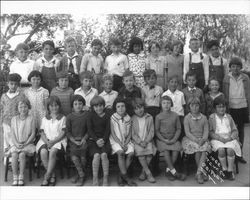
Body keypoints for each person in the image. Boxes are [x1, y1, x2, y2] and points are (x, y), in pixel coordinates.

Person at [223, 57, 250, 164]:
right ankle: (231, 153)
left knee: (241, 131)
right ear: (230, 68)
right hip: (231, 107)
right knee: (231, 131)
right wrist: (226, 107)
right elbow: (225, 93)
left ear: (240, 67)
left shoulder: (245, 78)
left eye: (238, 66)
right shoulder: (226, 78)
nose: (235, 68)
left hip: (242, 106)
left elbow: (248, 93)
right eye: (233, 66)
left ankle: (240, 154)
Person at [36, 96, 67, 186]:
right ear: (48, 107)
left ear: (59, 106)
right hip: (45, 140)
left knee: (53, 151)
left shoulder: (63, 118)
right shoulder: (45, 118)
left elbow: (63, 132)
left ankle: (47, 176)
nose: (54, 107)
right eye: (51, 106)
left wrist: (53, 142)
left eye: (56, 105)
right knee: (43, 152)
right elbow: (41, 132)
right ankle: (52, 175)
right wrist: (47, 142)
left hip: (58, 141)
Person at [209, 98, 241, 180]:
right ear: (215, 108)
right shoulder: (212, 117)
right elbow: (210, 132)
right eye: (219, 107)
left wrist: (230, 138)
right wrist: (218, 138)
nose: (222, 109)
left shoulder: (229, 117)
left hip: (229, 138)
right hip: (217, 139)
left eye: (223, 107)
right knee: (221, 150)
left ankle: (230, 171)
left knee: (230, 150)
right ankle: (224, 169)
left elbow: (234, 130)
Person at [155, 96, 185, 181]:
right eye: (164, 103)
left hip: (173, 138)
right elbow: (156, 131)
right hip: (162, 139)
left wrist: (174, 139)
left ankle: (168, 170)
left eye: (168, 103)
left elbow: (179, 129)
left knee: (176, 149)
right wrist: (164, 140)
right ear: (161, 104)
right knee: (166, 150)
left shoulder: (175, 115)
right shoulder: (158, 117)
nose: (166, 105)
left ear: (171, 104)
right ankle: (174, 172)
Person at [110, 98, 137, 186]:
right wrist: (120, 144)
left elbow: (129, 133)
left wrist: (125, 143)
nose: (120, 108)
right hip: (115, 140)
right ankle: (126, 177)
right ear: (115, 108)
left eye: (122, 106)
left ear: (125, 107)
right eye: (118, 107)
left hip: (126, 140)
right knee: (121, 153)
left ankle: (120, 175)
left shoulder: (128, 118)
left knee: (131, 154)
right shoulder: (113, 117)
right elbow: (113, 133)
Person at [182, 97, 209, 184]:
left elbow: (206, 131)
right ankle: (201, 172)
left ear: (199, 106)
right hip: (191, 139)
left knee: (203, 150)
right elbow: (187, 132)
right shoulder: (187, 118)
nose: (194, 107)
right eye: (192, 105)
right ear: (189, 107)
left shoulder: (204, 118)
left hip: (202, 139)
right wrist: (196, 140)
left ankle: (198, 173)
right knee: (198, 149)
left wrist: (203, 139)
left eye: (196, 105)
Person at [10, 99, 36, 186]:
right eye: (20, 107)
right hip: (16, 143)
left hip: (28, 144)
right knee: (14, 155)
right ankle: (15, 176)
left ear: (28, 107)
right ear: (17, 108)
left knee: (21, 155)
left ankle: (21, 175)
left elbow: (33, 133)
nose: (23, 109)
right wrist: (16, 143)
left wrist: (25, 143)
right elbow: (12, 134)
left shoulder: (31, 118)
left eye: (25, 106)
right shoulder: (14, 119)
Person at [87, 96, 111, 186]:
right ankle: (95, 177)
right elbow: (90, 130)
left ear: (103, 106)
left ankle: (105, 177)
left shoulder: (107, 115)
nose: (99, 108)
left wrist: (103, 140)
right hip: (93, 140)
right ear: (93, 107)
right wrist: (97, 140)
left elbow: (108, 130)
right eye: (96, 106)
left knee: (104, 155)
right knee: (96, 156)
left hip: (105, 139)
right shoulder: (90, 116)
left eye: (100, 105)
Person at [131, 98, 156, 183]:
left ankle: (143, 172)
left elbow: (151, 131)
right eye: (136, 109)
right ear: (133, 110)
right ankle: (148, 173)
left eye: (140, 107)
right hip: (138, 142)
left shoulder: (149, 117)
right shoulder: (132, 119)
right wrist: (140, 142)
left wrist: (146, 141)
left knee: (149, 154)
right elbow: (133, 134)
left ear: (144, 107)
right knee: (141, 155)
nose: (139, 110)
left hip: (147, 140)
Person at [66, 95, 88, 186]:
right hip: (73, 141)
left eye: (80, 103)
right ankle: (82, 175)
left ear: (83, 104)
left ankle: (79, 174)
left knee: (83, 158)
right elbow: (68, 131)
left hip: (84, 140)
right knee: (75, 158)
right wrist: (73, 140)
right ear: (72, 105)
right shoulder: (69, 117)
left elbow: (89, 130)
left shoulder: (87, 115)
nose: (78, 106)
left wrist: (84, 139)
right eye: (75, 104)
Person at [0, 73, 25, 152]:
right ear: (8, 84)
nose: (13, 86)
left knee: (16, 137)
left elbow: (24, 108)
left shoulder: (21, 96)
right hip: (6, 121)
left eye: (15, 84)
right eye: (11, 84)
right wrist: (1, 121)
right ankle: (7, 155)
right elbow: (1, 109)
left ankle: (15, 154)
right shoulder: (4, 96)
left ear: (18, 85)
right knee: (7, 137)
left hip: (17, 121)